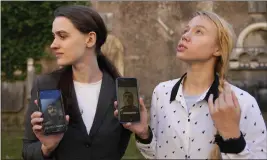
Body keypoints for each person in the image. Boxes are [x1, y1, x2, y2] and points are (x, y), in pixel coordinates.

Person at [114, 11, 267, 159]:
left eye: (198, 31)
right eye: (186, 30)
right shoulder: (161, 93)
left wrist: (232, 135)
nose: (185, 36)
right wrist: (144, 134)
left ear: (218, 49)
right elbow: (157, 155)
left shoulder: (242, 102)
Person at [22, 5, 131, 160]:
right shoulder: (46, 85)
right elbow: (27, 151)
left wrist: (144, 134)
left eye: (62, 36)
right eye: (54, 36)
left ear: (90, 39)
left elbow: (119, 148)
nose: (53, 44)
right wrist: (46, 148)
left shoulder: (120, 90)